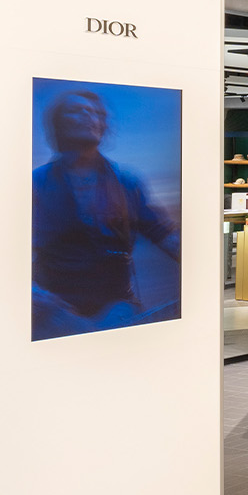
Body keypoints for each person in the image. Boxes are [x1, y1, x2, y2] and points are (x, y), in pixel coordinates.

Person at [32, 88, 179, 336]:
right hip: (53, 314)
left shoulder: (127, 183)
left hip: (116, 309)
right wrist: (38, 298)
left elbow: (164, 235)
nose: (88, 116)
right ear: (59, 124)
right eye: (77, 110)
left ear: (103, 126)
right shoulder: (37, 184)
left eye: (95, 112)